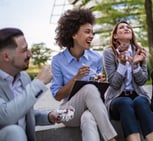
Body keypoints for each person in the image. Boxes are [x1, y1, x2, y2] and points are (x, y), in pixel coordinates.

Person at [50, 8, 117, 141]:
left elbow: (98, 91)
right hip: (68, 112)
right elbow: (57, 96)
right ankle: (111, 138)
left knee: (88, 118)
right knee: (88, 88)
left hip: (92, 109)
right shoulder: (58, 60)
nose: (91, 36)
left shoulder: (96, 58)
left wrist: (102, 83)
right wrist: (76, 78)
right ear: (74, 34)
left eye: (92, 32)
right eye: (87, 32)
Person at [0, 28, 61, 141]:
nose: (30, 54)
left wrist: (49, 117)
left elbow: (22, 113)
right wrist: (38, 83)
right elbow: (6, 115)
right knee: (14, 132)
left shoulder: (24, 77)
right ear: (6, 56)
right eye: (24, 50)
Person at [103, 21, 153, 141]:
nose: (126, 28)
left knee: (141, 101)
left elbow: (142, 81)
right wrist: (122, 64)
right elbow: (114, 83)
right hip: (117, 98)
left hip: (137, 94)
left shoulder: (140, 51)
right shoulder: (109, 52)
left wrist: (135, 65)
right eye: (122, 28)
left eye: (128, 27)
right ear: (115, 36)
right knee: (125, 102)